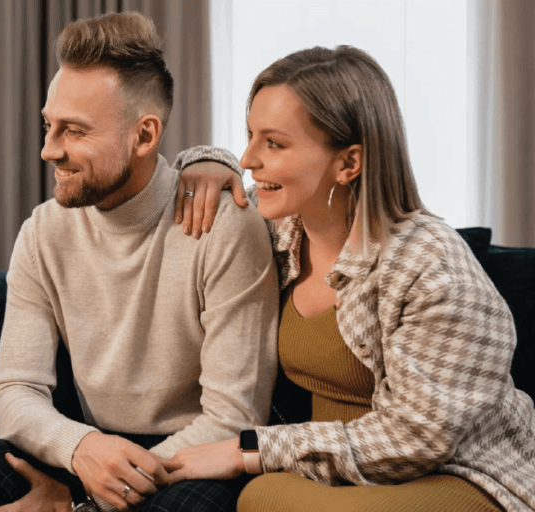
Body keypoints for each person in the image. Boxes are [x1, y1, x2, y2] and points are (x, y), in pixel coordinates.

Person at [0, 12, 279, 512]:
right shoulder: (43, 232)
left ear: (144, 136)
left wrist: (87, 499)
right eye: (49, 125)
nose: (48, 150)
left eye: (74, 131)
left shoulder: (224, 227)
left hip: (195, 455)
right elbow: (14, 390)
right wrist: (82, 451)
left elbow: (233, 418)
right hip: (94, 448)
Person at [170, 45, 535, 512]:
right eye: (249, 136)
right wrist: (204, 161)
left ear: (348, 163)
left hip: (456, 476)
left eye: (274, 144)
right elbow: (209, 184)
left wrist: (251, 451)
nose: (247, 159)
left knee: (264, 495)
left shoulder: (433, 268)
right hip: (339, 477)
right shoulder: (280, 231)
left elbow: (417, 440)